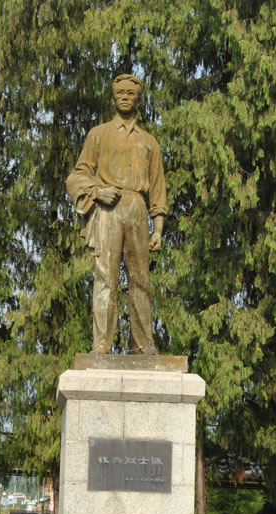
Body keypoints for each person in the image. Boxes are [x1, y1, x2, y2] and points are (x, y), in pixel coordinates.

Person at [66, 74, 167, 354]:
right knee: (105, 279)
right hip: (108, 210)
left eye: (130, 93)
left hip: (136, 208)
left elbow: (158, 189)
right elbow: (76, 177)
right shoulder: (98, 135)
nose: (124, 96)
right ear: (112, 98)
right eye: (119, 92)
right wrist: (97, 192)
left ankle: (142, 343)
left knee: (140, 280)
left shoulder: (149, 142)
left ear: (138, 99)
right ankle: (102, 344)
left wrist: (157, 228)